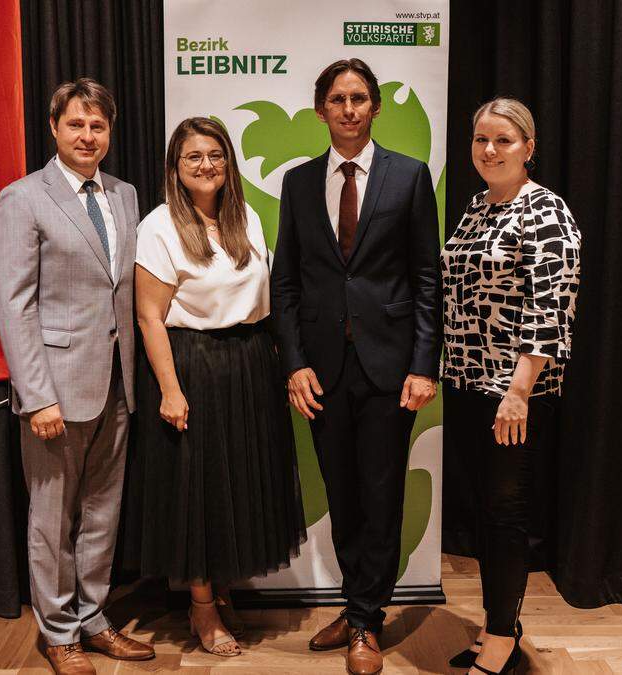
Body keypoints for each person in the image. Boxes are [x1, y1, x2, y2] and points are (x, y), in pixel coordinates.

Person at [270, 58, 442, 675]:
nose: (349, 108)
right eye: (338, 99)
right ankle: (357, 601)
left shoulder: (410, 177)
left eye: (360, 98)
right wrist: (294, 364)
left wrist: (424, 364)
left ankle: (366, 622)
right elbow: (285, 283)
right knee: (343, 495)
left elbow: (427, 279)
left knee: (380, 496)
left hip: (391, 371)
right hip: (323, 371)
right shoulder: (298, 183)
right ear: (321, 109)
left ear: (375, 107)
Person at [122, 116, 306, 658]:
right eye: (193, 157)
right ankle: (201, 606)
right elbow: (149, 318)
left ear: (228, 162)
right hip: (193, 364)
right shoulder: (158, 227)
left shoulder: (244, 217)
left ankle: (223, 589)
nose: (206, 165)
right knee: (198, 489)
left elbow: (266, 297)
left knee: (240, 484)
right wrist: (170, 390)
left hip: (249, 362)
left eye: (215, 155)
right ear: (175, 169)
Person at [0, 78, 154, 675]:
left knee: (103, 511)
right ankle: (58, 632)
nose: (88, 136)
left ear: (109, 134)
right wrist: (36, 397)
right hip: (55, 391)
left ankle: (94, 619)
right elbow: (15, 305)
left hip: (118, 382)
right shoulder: (23, 198)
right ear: (54, 128)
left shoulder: (126, 194)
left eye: (98, 126)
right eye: (76, 125)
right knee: (52, 517)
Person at [441, 97, 581, 675]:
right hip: (467, 383)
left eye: (503, 139)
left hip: (512, 392)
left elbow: (552, 309)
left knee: (505, 513)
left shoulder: (545, 212)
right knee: (484, 511)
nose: (490, 150)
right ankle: (499, 621)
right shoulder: (477, 209)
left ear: (529, 146)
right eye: (480, 140)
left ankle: (501, 637)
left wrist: (519, 389)